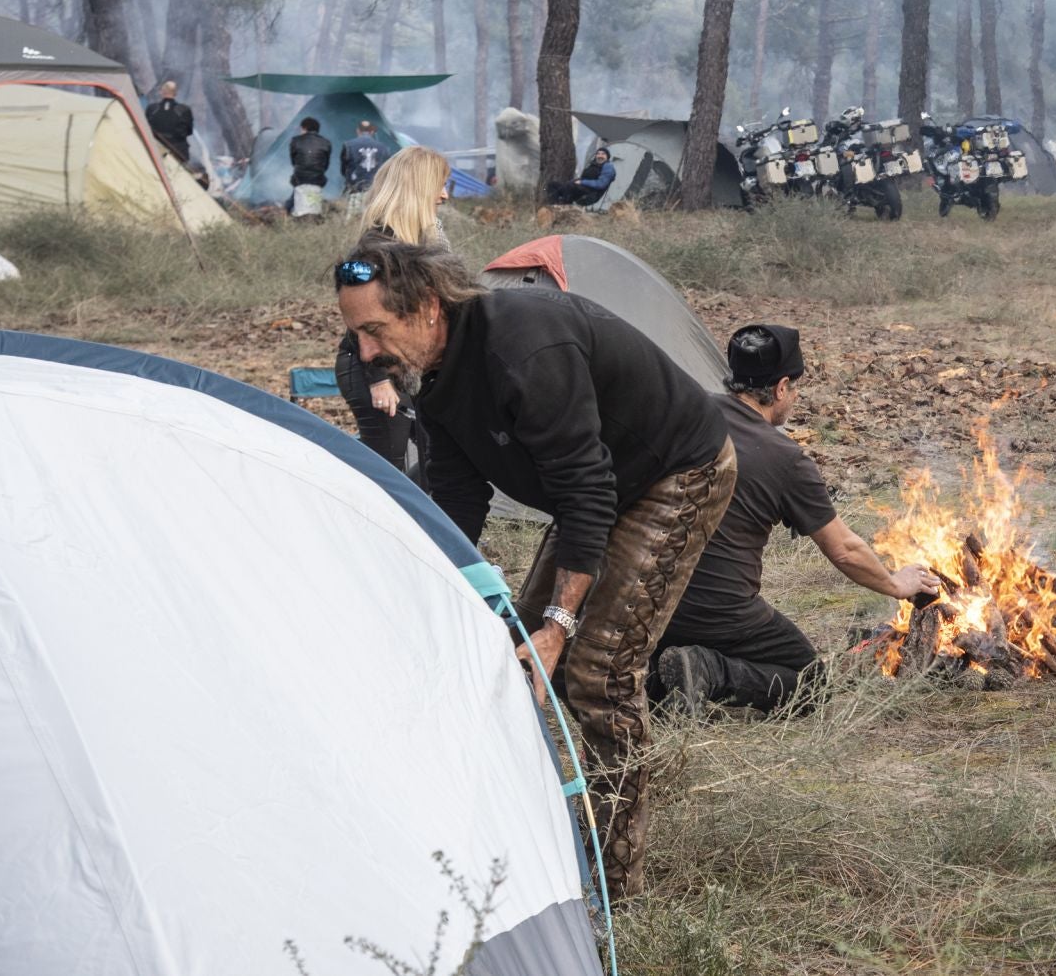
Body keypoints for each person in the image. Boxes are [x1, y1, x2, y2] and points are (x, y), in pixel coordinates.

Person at [334, 237, 737, 896]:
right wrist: (438, 586)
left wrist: (559, 624)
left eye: (375, 330)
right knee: (509, 655)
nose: (366, 353)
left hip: (674, 470)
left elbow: (588, 492)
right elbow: (459, 495)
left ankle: (615, 879)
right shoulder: (432, 377)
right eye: (355, 337)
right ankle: (526, 834)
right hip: (595, 487)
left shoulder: (523, 346)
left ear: (429, 307)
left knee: (595, 669)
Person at [652, 324, 942, 714]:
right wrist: (895, 583)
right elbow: (844, 549)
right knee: (808, 683)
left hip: (648, 599)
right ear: (781, 387)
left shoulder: (682, 414)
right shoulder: (785, 458)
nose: (796, 398)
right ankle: (707, 670)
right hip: (719, 611)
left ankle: (656, 673)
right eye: (797, 388)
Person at [332, 148, 449, 478]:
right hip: (372, 367)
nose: (444, 195)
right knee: (386, 471)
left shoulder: (426, 241)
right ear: (418, 188)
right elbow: (359, 323)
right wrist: (380, 380)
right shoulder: (371, 249)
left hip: (410, 368)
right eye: (439, 185)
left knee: (438, 461)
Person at [340, 120, 391, 205]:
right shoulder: (384, 148)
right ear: (372, 132)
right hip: (375, 194)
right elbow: (387, 172)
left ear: (358, 131)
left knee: (354, 217)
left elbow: (343, 170)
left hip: (355, 191)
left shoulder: (348, 145)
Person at [289, 117, 332, 218]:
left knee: (297, 197)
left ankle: (294, 211)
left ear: (304, 128)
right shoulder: (326, 143)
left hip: (299, 178)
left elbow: (294, 162)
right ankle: (314, 214)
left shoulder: (295, 141)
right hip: (318, 179)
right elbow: (325, 165)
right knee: (314, 204)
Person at [145, 81, 195, 166]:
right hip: (178, 152)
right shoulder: (184, 110)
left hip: (155, 151)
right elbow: (189, 131)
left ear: (161, 92)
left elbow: (145, 129)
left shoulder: (152, 109)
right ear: (175, 93)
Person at [547, 147, 616, 206]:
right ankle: (554, 206)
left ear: (607, 157)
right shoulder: (593, 165)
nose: (600, 156)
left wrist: (582, 182)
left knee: (570, 187)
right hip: (580, 189)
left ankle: (565, 207)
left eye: (603, 154)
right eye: (598, 154)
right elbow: (582, 178)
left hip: (591, 194)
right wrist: (574, 182)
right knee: (552, 185)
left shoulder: (608, 167)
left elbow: (601, 184)